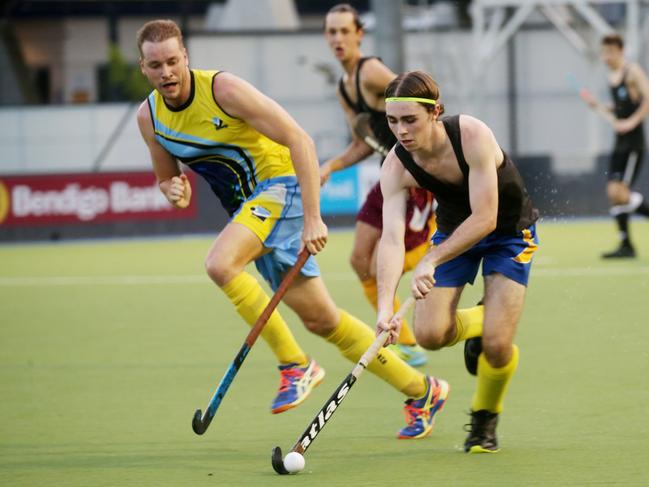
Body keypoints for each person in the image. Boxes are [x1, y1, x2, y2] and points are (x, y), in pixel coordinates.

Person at [135, 19, 448, 439]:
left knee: (220, 264)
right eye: (156, 65)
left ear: (186, 58)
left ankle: (294, 365)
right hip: (250, 210)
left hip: (281, 187)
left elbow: (299, 139)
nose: (166, 73)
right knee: (324, 321)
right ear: (144, 68)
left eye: (173, 61)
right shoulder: (149, 118)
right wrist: (172, 190)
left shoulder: (223, 90)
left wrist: (314, 217)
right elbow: (171, 183)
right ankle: (422, 391)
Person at [375, 70, 539, 453]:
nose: (400, 131)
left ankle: (484, 418)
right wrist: (385, 307)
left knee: (498, 347)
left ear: (436, 113)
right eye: (392, 121)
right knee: (430, 336)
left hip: (510, 233)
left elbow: (486, 218)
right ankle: (484, 321)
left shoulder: (471, 135)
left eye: (410, 119)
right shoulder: (396, 165)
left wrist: (430, 259)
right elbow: (392, 237)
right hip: (453, 236)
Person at [321, 4, 482, 367]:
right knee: (360, 260)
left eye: (344, 31)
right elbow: (363, 143)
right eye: (331, 32)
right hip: (388, 175)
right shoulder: (345, 88)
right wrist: (330, 166)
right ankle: (404, 339)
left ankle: (435, 249)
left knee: (383, 259)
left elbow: (413, 99)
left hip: (413, 175)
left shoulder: (371, 71)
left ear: (359, 34)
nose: (337, 39)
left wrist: (435, 152)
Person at [580, 33, 649, 258]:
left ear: (620, 50)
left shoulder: (632, 71)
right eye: (603, 52)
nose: (605, 57)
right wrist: (600, 106)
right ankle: (626, 245)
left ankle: (627, 244)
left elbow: (647, 99)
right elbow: (621, 106)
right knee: (614, 193)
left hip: (633, 143)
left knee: (621, 192)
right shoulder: (612, 76)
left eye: (609, 52)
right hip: (619, 143)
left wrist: (630, 122)